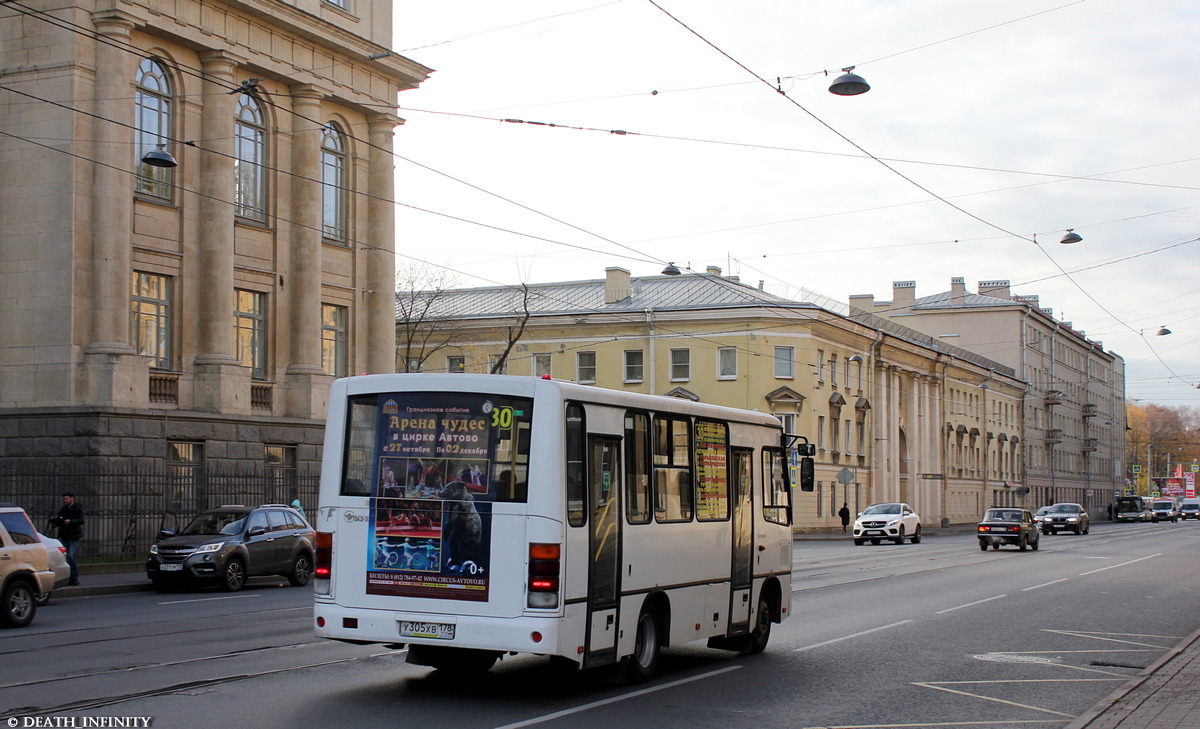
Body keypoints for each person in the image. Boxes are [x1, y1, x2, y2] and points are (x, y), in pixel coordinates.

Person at [51, 492, 84, 585]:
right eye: (64, 499)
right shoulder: (63, 509)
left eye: (67, 499)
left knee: (71, 556)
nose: (65, 501)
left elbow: (81, 520)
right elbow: (60, 519)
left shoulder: (77, 508)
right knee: (66, 558)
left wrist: (70, 521)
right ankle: (69, 577)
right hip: (64, 535)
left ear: (72, 498)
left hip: (74, 536)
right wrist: (57, 522)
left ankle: (74, 577)